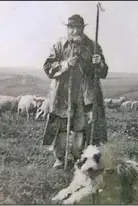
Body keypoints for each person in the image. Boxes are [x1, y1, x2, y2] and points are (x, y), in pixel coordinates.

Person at [42, 14, 109, 169]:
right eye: (71, 28)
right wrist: (66, 64)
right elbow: (48, 68)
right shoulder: (59, 45)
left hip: (84, 95)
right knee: (61, 128)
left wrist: (99, 64)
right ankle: (60, 159)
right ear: (67, 29)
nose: (74, 31)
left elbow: (103, 72)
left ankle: (78, 157)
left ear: (82, 29)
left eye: (78, 28)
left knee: (80, 128)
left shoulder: (93, 46)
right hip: (62, 94)